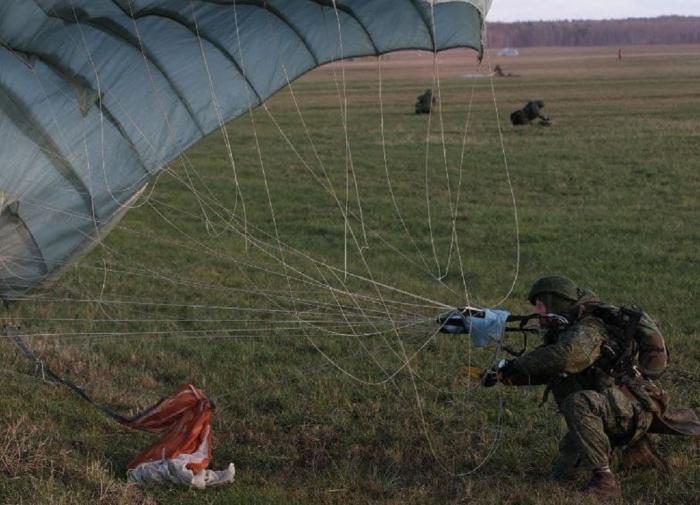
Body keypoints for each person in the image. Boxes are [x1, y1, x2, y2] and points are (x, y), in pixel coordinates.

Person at [484, 275, 700, 499]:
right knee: (562, 472)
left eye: (539, 304)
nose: (537, 312)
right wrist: (503, 375)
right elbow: (548, 369)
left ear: (555, 302)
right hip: (613, 407)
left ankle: (604, 480)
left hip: (629, 407)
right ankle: (634, 452)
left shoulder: (589, 328)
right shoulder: (568, 331)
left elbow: (564, 358)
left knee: (578, 403)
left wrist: (515, 363)